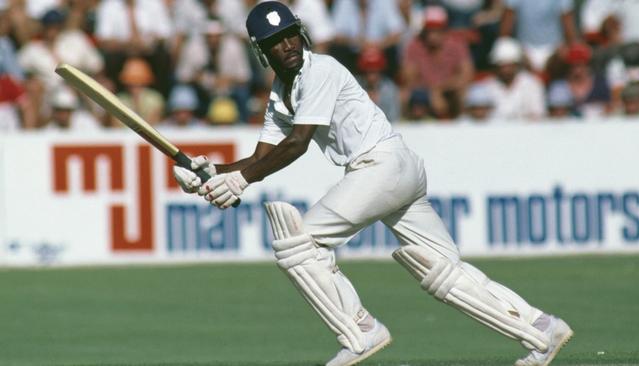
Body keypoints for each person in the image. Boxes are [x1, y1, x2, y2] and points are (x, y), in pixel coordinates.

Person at [172, 2, 573, 366]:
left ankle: (361, 330)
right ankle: (541, 329)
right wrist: (214, 172)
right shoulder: (282, 93)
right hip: (394, 171)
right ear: (262, 52)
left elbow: (297, 144)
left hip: (380, 166)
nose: (288, 45)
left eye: (291, 34)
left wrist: (239, 180)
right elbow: (262, 158)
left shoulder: (320, 69)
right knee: (441, 271)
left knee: (299, 244)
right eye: (276, 42)